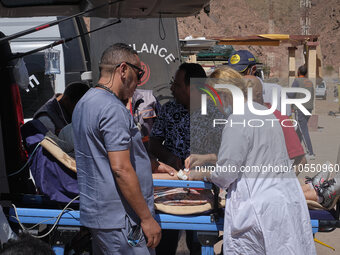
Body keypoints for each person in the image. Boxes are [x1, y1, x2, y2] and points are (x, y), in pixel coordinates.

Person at [187, 67, 316, 255]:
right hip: (282, 202)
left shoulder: (237, 120)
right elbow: (252, 156)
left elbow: (226, 174)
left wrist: (203, 173)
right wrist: (208, 158)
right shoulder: (265, 113)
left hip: (258, 209)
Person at [72, 43, 161, 255]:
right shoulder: (112, 109)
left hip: (103, 217)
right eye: (138, 73)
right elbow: (121, 169)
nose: (138, 82)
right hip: (122, 220)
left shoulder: (85, 102)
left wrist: (152, 164)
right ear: (123, 69)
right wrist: (147, 219)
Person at [150, 63, 208, 255]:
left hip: (203, 189)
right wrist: (169, 157)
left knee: (200, 240)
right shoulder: (168, 110)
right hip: (170, 186)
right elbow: (154, 143)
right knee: (165, 240)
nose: (172, 89)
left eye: (177, 85)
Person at [243, 75, 307, 169]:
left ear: (258, 95)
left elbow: (301, 161)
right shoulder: (238, 118)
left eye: (245, 98)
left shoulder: (280, 120)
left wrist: (286, 181)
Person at [289, 65, 315, 160]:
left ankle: (310, 152)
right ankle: (294, 151)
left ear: (298, 72)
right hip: (309, 109)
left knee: (303, 130)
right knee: (299, 131)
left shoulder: (297, 81)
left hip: (300, 109)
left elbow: (291, 94)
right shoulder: (310, 82)